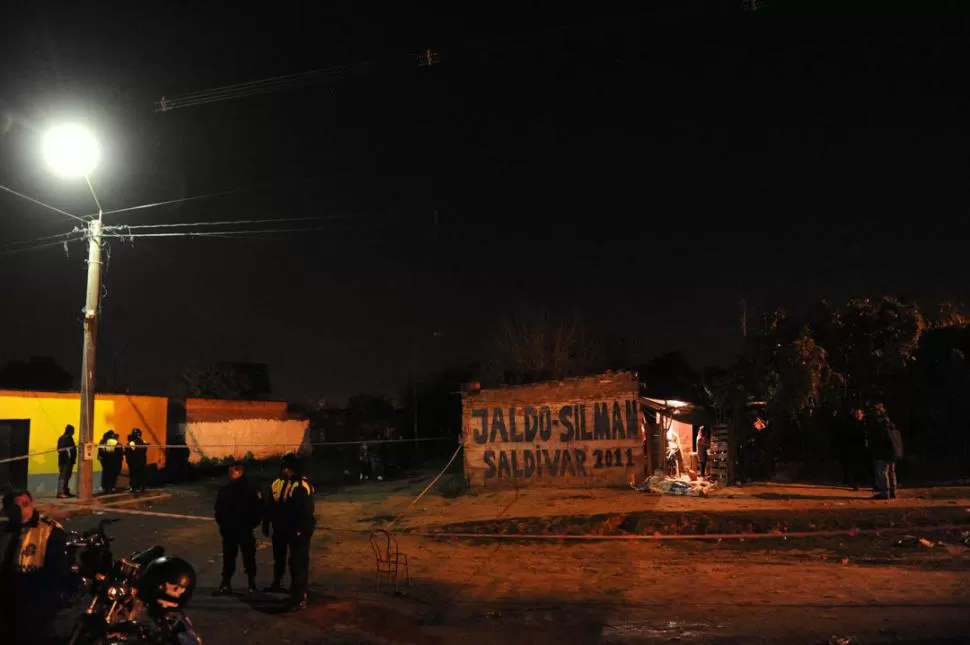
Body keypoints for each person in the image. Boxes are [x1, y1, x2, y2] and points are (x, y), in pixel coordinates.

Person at [0, 490, 70, 645]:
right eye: (16, 507)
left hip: (35, 601)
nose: (22, 510)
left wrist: (42, 604)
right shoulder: (5, 530)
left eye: (25, 504)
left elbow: (57, 573)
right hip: (8, 599)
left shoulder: (48, 531)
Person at [263, 451, 316, 610]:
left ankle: (300, 595)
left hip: (298, 530)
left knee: (298, 562)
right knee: (280, 556)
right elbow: (271, 505)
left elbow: (305, 511)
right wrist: (267, 522)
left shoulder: (301, 485)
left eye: (285, 466)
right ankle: (279, 583)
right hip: (282, 527)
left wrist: (300, 530)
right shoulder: (277, 483)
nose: (283, 469)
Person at [213, 462, 263, 596]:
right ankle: (227, 583)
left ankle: (251, 583)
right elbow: (218, 509)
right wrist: (222, 524)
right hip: (231, 529)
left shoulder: (249, 489)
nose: (230, 475)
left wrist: (251, 524)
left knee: (247, 556)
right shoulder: (226, 489)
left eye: (232, 472)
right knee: (230, 557)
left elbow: (258, 509)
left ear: (239, 472)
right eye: (229, 472)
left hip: (243, 528)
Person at [869, 403, 904, 500]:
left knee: (882, 471)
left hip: (882, 451)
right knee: (891, 471)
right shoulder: (890, 423)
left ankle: (885, 492)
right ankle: (893, 491)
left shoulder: (879, 424)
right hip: (892, 451)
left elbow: (877, 438)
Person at [56, 424, 78, 498]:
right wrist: (68, 458)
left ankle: (65, 491)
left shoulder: (69, 438)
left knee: (67, 477)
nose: (73, 432)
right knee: (63, 477)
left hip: (69, 461)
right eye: (72, 430)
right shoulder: (64, 438)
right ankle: (61, 492)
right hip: (65, 461)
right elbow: (61, 450)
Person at [125, 428, 149, 493]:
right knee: (141, 474)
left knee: (134, 474)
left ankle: (133, 488)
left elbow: (131, 451)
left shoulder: (132, 442)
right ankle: (142, 487)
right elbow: (145, 448)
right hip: (142, 461)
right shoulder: (143, 441)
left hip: (134, 461)